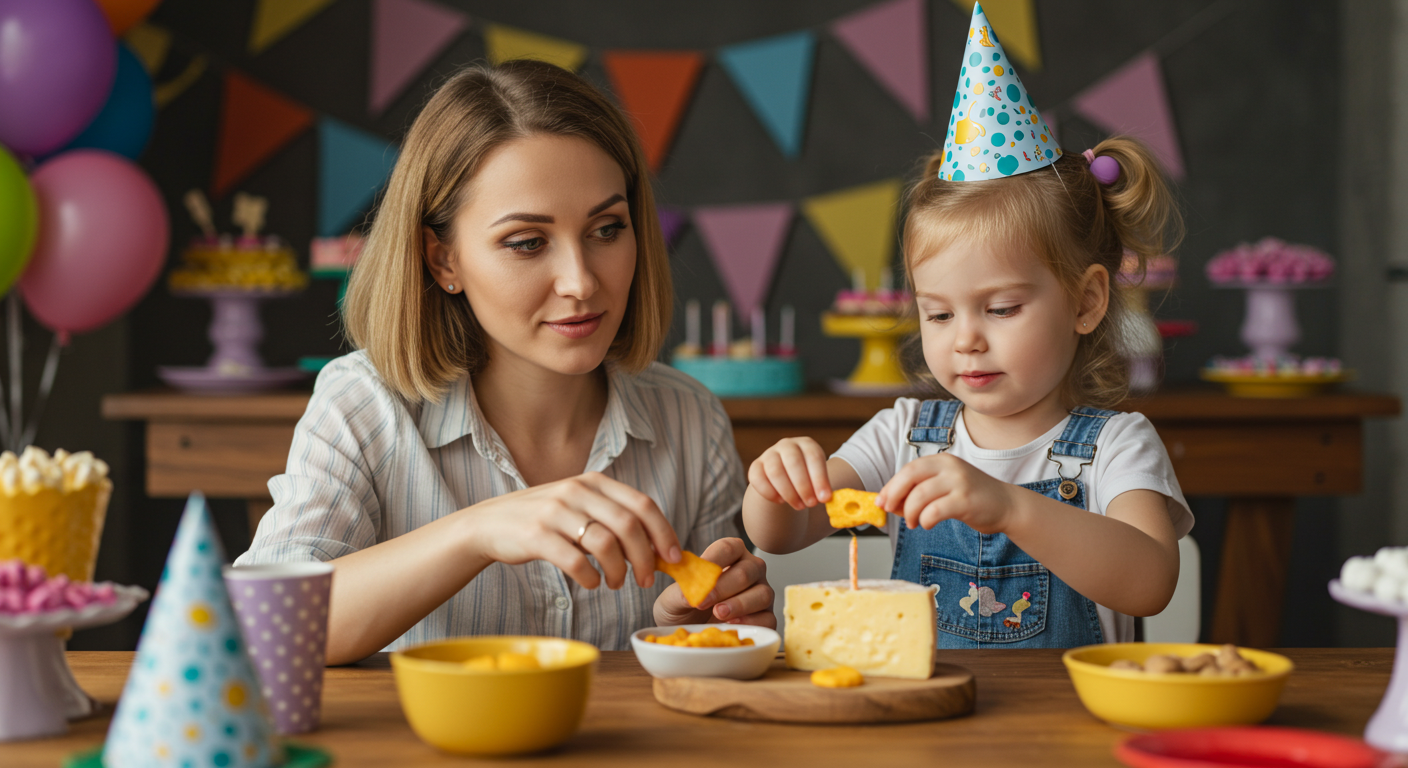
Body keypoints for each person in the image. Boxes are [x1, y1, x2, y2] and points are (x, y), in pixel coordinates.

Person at [235, 60, 772, 665]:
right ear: (444, 262)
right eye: (527, 242)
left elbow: (717, 637)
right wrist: (476, 532)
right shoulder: (364, 405)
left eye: (606, 229)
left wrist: (706, 619)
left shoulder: (689, 416)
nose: (581, 281)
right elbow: (262, 629)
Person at [741, 6, 1190, 648]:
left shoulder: (1117, 447)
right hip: (930, 735)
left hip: (1068, 740)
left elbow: (1149, 581)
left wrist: (1009, 507)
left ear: (1087, 301)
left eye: (1001, 308)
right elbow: (780, 534)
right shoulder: (903, 435)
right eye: (939, 313)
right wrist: (774, 484)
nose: (966, 339)